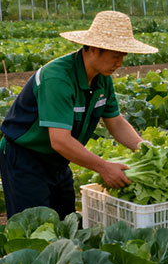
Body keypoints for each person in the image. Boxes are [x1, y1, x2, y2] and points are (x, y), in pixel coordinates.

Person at [0, 11, 158, 219]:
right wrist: (104, 167)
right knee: (33, 228)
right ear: (93, 49)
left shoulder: (102, 78)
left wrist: (146, 149)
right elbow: (60, 140)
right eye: (116, 55)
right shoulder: (57, 79)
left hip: (59, 161)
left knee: (66, 222)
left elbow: (116, 122)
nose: (120, 63)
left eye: (123, 56)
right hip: (25, 159)